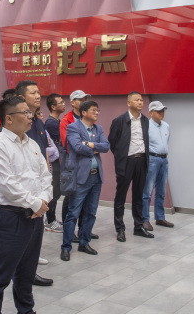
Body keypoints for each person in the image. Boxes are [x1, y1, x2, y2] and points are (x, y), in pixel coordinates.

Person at [0, 96, 53, 314]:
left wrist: (43, 200)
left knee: (27, 271)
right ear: (9, 118)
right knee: (1, 275)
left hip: (35, 215)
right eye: (25, 112)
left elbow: (45, 175)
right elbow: (6, 184)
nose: (30, 115)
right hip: (10, 217)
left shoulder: (32, 143)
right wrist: (35, 203)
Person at [15, 80, 55, 286]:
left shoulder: (37, 121)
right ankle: (24, 272)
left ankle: (31, 264)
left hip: (39, 180)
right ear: (22, 97)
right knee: (26, 224)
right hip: (25, 183)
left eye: (39, 92)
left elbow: (43, 149)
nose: (38, 96)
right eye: (33, 93)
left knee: (37, 223)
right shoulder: (19, 122)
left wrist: (47, 170)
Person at [61, 100, 109, 261]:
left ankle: (84, 242)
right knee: (73, 213)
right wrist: (94, 148)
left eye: (98, 110)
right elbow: (77, 147)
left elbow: (106, 146)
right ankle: (66, 247)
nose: (97, 113)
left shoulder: (98, 128)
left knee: (90, 213)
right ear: (84, 112)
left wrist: (89, 144)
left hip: (96, 176)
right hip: (80, 177)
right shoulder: (73, 127)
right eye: (94, 110)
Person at [108, 91, 153, 242]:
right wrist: (121, 156)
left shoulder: (145, 120)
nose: (140, 102)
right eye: (137, 100)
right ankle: (120, 229)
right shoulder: (119, 120)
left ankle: (138, 227)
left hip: (142, 161)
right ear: (129, 103)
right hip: (126, 162)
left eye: (141, 100)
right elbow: (112, 142)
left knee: (138, 195)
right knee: (121, 196)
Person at [142, 101, 174, 230]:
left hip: (164, 160)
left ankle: (160, 217)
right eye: (158, 111)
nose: (161, 113)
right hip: (152, 159)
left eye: (163, 110)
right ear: (150, 112)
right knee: (147, 192)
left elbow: (166, 142)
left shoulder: (166, 126)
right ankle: (145, 219)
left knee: (161, 191)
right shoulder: (146, 126)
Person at [44, 93, 65, 233]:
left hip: (58, 161)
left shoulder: (57, 121)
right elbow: (61, 141)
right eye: (60, 102)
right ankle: (50, 221)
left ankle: (51, 219)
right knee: (54, 192)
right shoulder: (51, 123)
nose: (64, 104)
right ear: (53, 106)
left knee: (56, 192)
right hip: (55, 162)